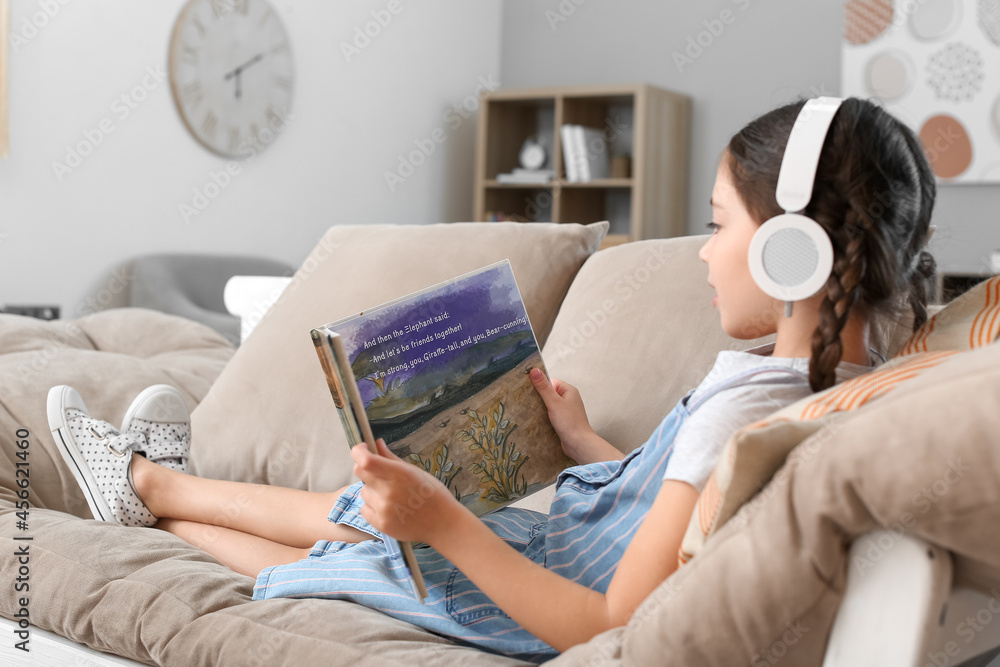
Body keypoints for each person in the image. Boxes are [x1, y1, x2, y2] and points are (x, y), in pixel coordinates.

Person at [47, 96, 937, 662]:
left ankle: (147, 489)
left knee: (331, 556)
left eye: (715, 224)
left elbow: (612, 625)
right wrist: (586, 441)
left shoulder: (756, 405)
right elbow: (680, 513)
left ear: (791, 248)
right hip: (565, 533)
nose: (705, 251)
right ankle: (154, 482)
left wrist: (444, 526)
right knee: (359, 518)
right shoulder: (816, 384)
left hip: (529, 585)